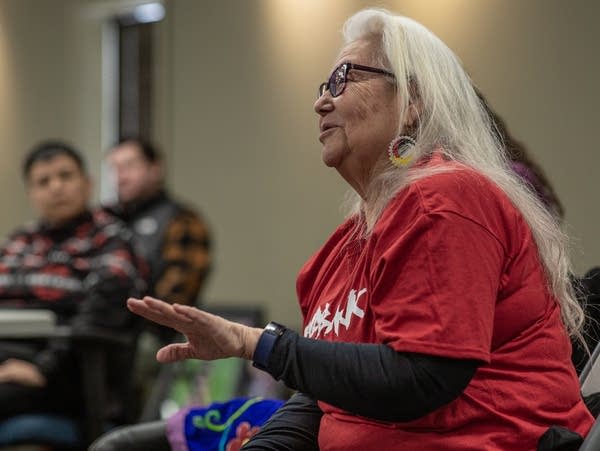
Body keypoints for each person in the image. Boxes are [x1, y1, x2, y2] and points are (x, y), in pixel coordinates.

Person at [126, 8, 593, 451]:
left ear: (412, 102)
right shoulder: (342, 249)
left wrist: (255, 343)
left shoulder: (446, 201)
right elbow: (324, 397)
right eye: (324, 83)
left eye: (344, 78)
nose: (320, 101)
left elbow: (423, 377)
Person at [0, 141, 145, 423]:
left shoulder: (111, 241)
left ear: (87, 183)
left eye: (65, 176)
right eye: (44, 181)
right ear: (32, 194)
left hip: (63, 371)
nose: (56, 187)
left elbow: (100, 315)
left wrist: (43, 368)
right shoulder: (17, 242)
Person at [106, 138, 211, 308]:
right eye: (114, 168)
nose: (120, 177)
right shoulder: (106, 219)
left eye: (129, 166)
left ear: (155, 169)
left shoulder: (182, 220)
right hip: (99, 327)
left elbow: (176, 300)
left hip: (154, 329)